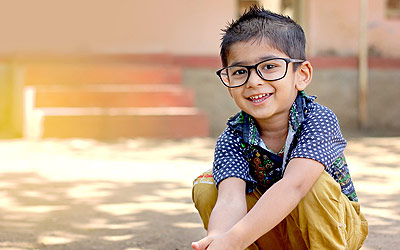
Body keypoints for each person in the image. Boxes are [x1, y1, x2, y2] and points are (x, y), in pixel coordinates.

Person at [191, 6, 368, 250]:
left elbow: (294, 186)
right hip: (272, 230)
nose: (254, 81)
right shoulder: (233, 136)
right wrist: (219, 239)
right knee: (207, 185)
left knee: (313, 185)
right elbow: (230, 199)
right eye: (240, 71)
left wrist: (234, 240)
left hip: (336, 229)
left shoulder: (318, 120)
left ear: (301, 75)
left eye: (270, 67)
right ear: (229, 83)